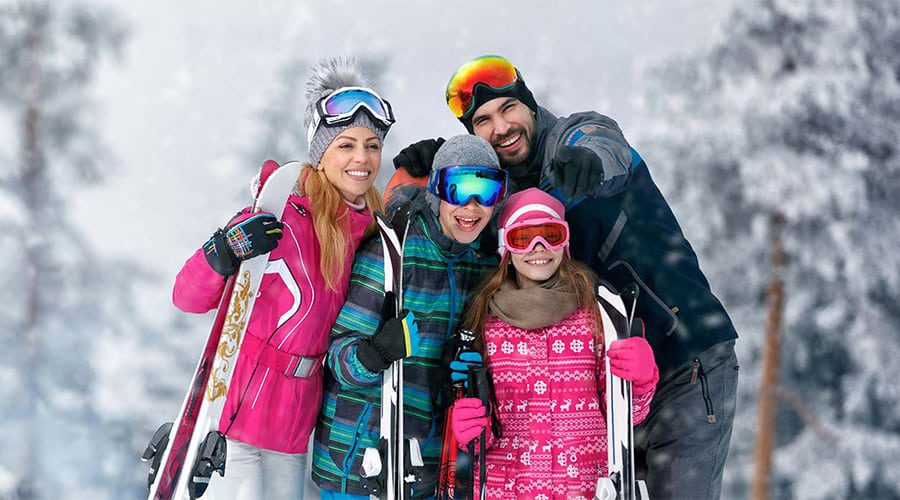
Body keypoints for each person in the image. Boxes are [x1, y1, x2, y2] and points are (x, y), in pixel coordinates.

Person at [389, 54, 740, 500]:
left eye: (508, 108)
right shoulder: (506, 200)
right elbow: (438, 218)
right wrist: (433, 171)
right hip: (608, 382)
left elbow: (605, 145)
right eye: (483, 122)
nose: (501, 127)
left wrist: (588, 159)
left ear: (530, 107)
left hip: (683, 362)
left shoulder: (575, 139)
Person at [171, 57, 393, 500]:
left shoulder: (370, 232)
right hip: (235, 418)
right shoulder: (281, 214)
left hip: (295, 427)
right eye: (346, 145)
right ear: (321, 152)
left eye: (372, 145)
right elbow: (186, 297)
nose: (362, 158)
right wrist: (224, 250)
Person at [311, 135, 507, 499]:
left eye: (488, 191)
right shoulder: (392, 252)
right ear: (436, 190)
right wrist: (374, 353)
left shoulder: (482, 269)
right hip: (358, 458)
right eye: (459, 189)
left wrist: (462, 369)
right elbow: (338, 357)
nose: (473, 206)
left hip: (423, 463)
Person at [449, 187, 658, 498]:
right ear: (507, 245)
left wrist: (639, 382)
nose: (538, 248)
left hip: (583, 487)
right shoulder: (485, 319)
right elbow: (483, 428)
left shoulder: (595, 313)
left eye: (550, 235)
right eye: (524, 237)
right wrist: (470, 429)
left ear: (566, 242)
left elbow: (624, 416)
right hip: (507, 487)